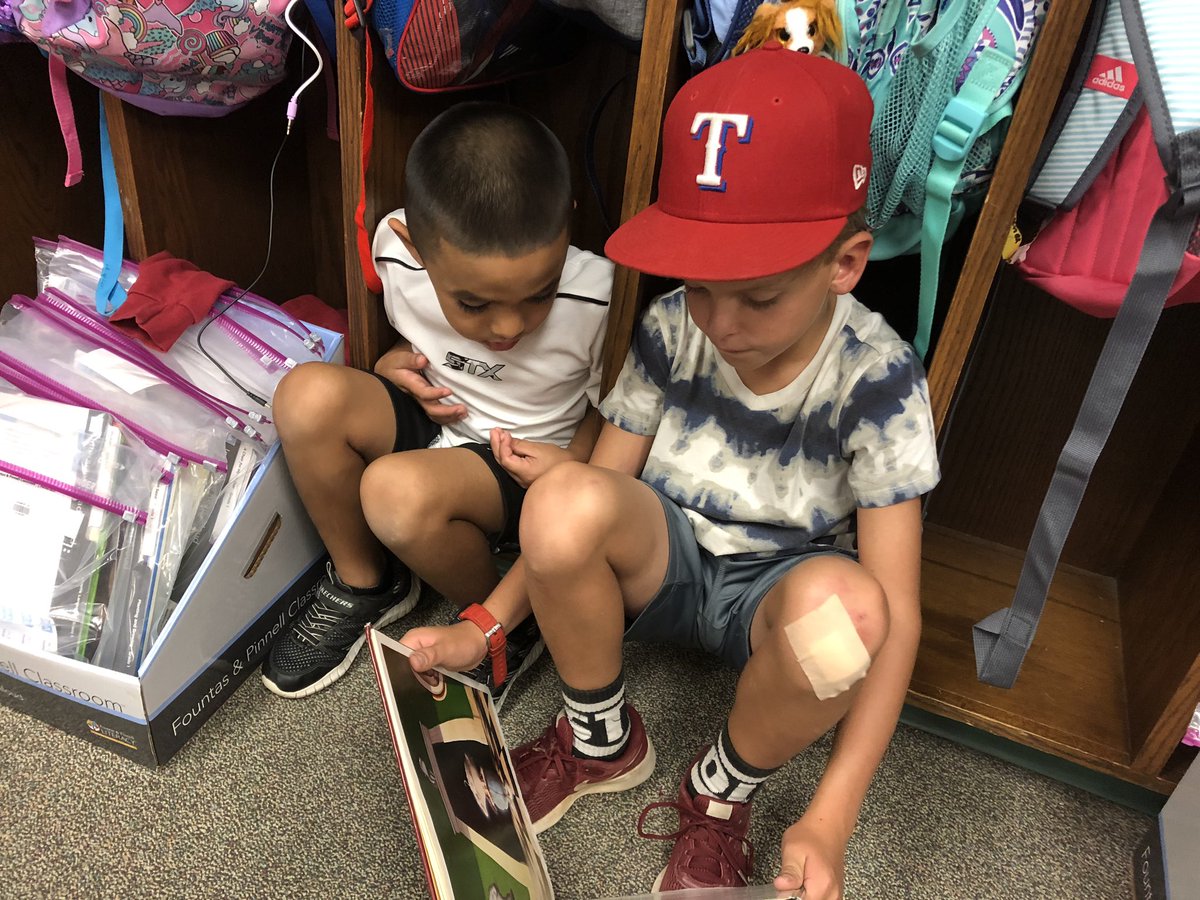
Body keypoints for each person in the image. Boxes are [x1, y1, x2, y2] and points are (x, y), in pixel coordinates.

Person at [414, 45, 942, 896]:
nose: (721, 323)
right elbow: (584, 498)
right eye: (699, 286)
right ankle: (599, 741)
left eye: (759, 297)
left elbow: (899, 612)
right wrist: (485, 625)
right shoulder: (671, 327)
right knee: (560, 500)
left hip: (779, 593)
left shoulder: (878, 380)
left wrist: (832, 815)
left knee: (850, 618)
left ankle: (721, 796)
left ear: (845, 264)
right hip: (663, 566)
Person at [260, 101, 613, 702]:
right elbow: (418, 326)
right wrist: (391, 359)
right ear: (414, 245)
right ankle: (363, 583)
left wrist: (574, 470)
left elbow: (614, 413)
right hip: (436, 420)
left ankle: (505, 618)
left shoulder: (600, 299)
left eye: (539, 294)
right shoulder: (392, 250)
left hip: (520, 467)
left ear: (567, 229)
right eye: (474, 304)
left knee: (394, 494)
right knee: (305, 394)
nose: (509, 327)